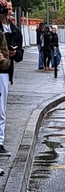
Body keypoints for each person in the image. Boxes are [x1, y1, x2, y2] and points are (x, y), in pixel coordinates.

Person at [0, 6, 11, 155]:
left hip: (1, 74)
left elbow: (7, 60)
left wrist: (2, 60)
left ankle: (0, 142)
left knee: (1, 110)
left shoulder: (1, 35)